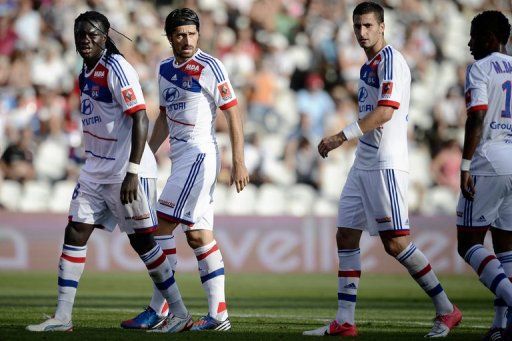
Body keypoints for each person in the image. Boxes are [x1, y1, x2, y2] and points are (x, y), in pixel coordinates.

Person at [303, 2, 461, 338]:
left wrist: (338, 137)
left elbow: (386, 111)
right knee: (345, 234)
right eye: (357, 26)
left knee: (396, 242)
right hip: (364, 162)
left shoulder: (390, 59)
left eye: (368, 26)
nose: (362, 32)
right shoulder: (367, 66)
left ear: (382, 26)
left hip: (385, 162)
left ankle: (447, 309)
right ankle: (344, 320)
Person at [26, 11, 190, 332]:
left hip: (127, 169)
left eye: (93, 35)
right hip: (95, 169)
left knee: (143, 243)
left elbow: (140, 117)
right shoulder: (85, 72)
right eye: (81, 35)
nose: (86, 40)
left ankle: (180, 312)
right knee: (75, 230)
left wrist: (131, 171)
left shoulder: (117, 68)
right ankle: (62, 317)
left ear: (105, 37)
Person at [120, 8, 249, 332]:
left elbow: (232, 112)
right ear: (170, 37)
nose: (187, 40)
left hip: (199, 156)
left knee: (159, 229)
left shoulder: (209, 66)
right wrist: (146, 155)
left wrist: (239, 161)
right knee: (198, 235)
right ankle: (218, 316)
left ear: (199, 35)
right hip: (180, 158)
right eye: (180, 34)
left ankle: (160, 309)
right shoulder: (163, 68)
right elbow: (163, 117)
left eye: (192, 34)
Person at [456, 11, 512, 341]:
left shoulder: (480, 67)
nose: (469, 43)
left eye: (474, 36)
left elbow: (476, 116)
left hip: (489, 160)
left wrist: (465, 165)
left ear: (490, 38)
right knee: (506, 246)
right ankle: (501, 327)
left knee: (469, 243)